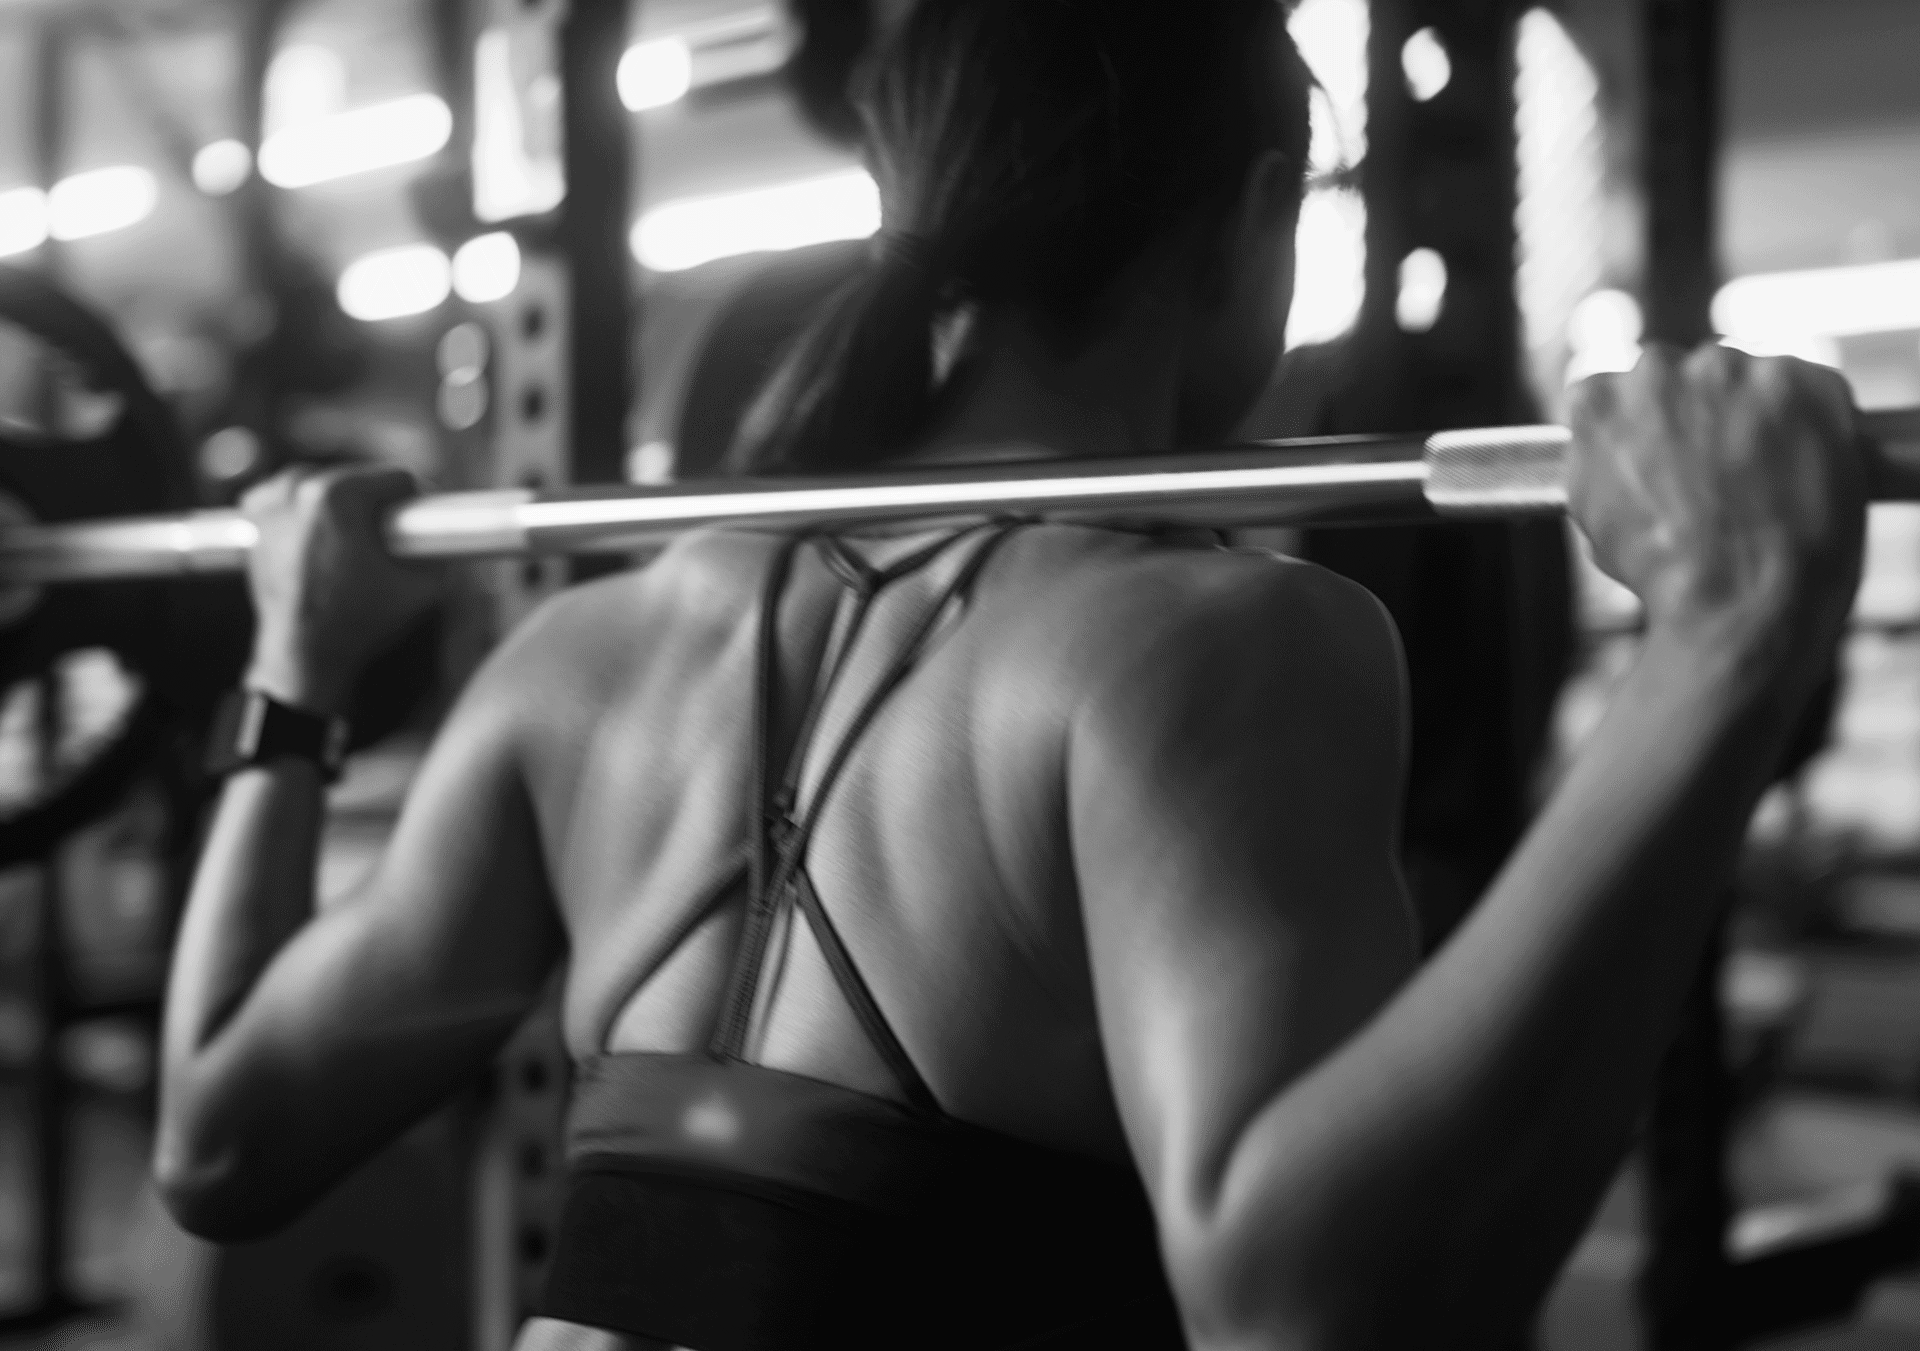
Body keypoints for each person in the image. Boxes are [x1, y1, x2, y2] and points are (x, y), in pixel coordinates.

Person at [153, 3, 1870, 1347]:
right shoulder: (1209, 643)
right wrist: (1717, 648)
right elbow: (1308, 1307)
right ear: (1256, 218)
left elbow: (220, 1139)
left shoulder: (583, 655)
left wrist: (296, 669)